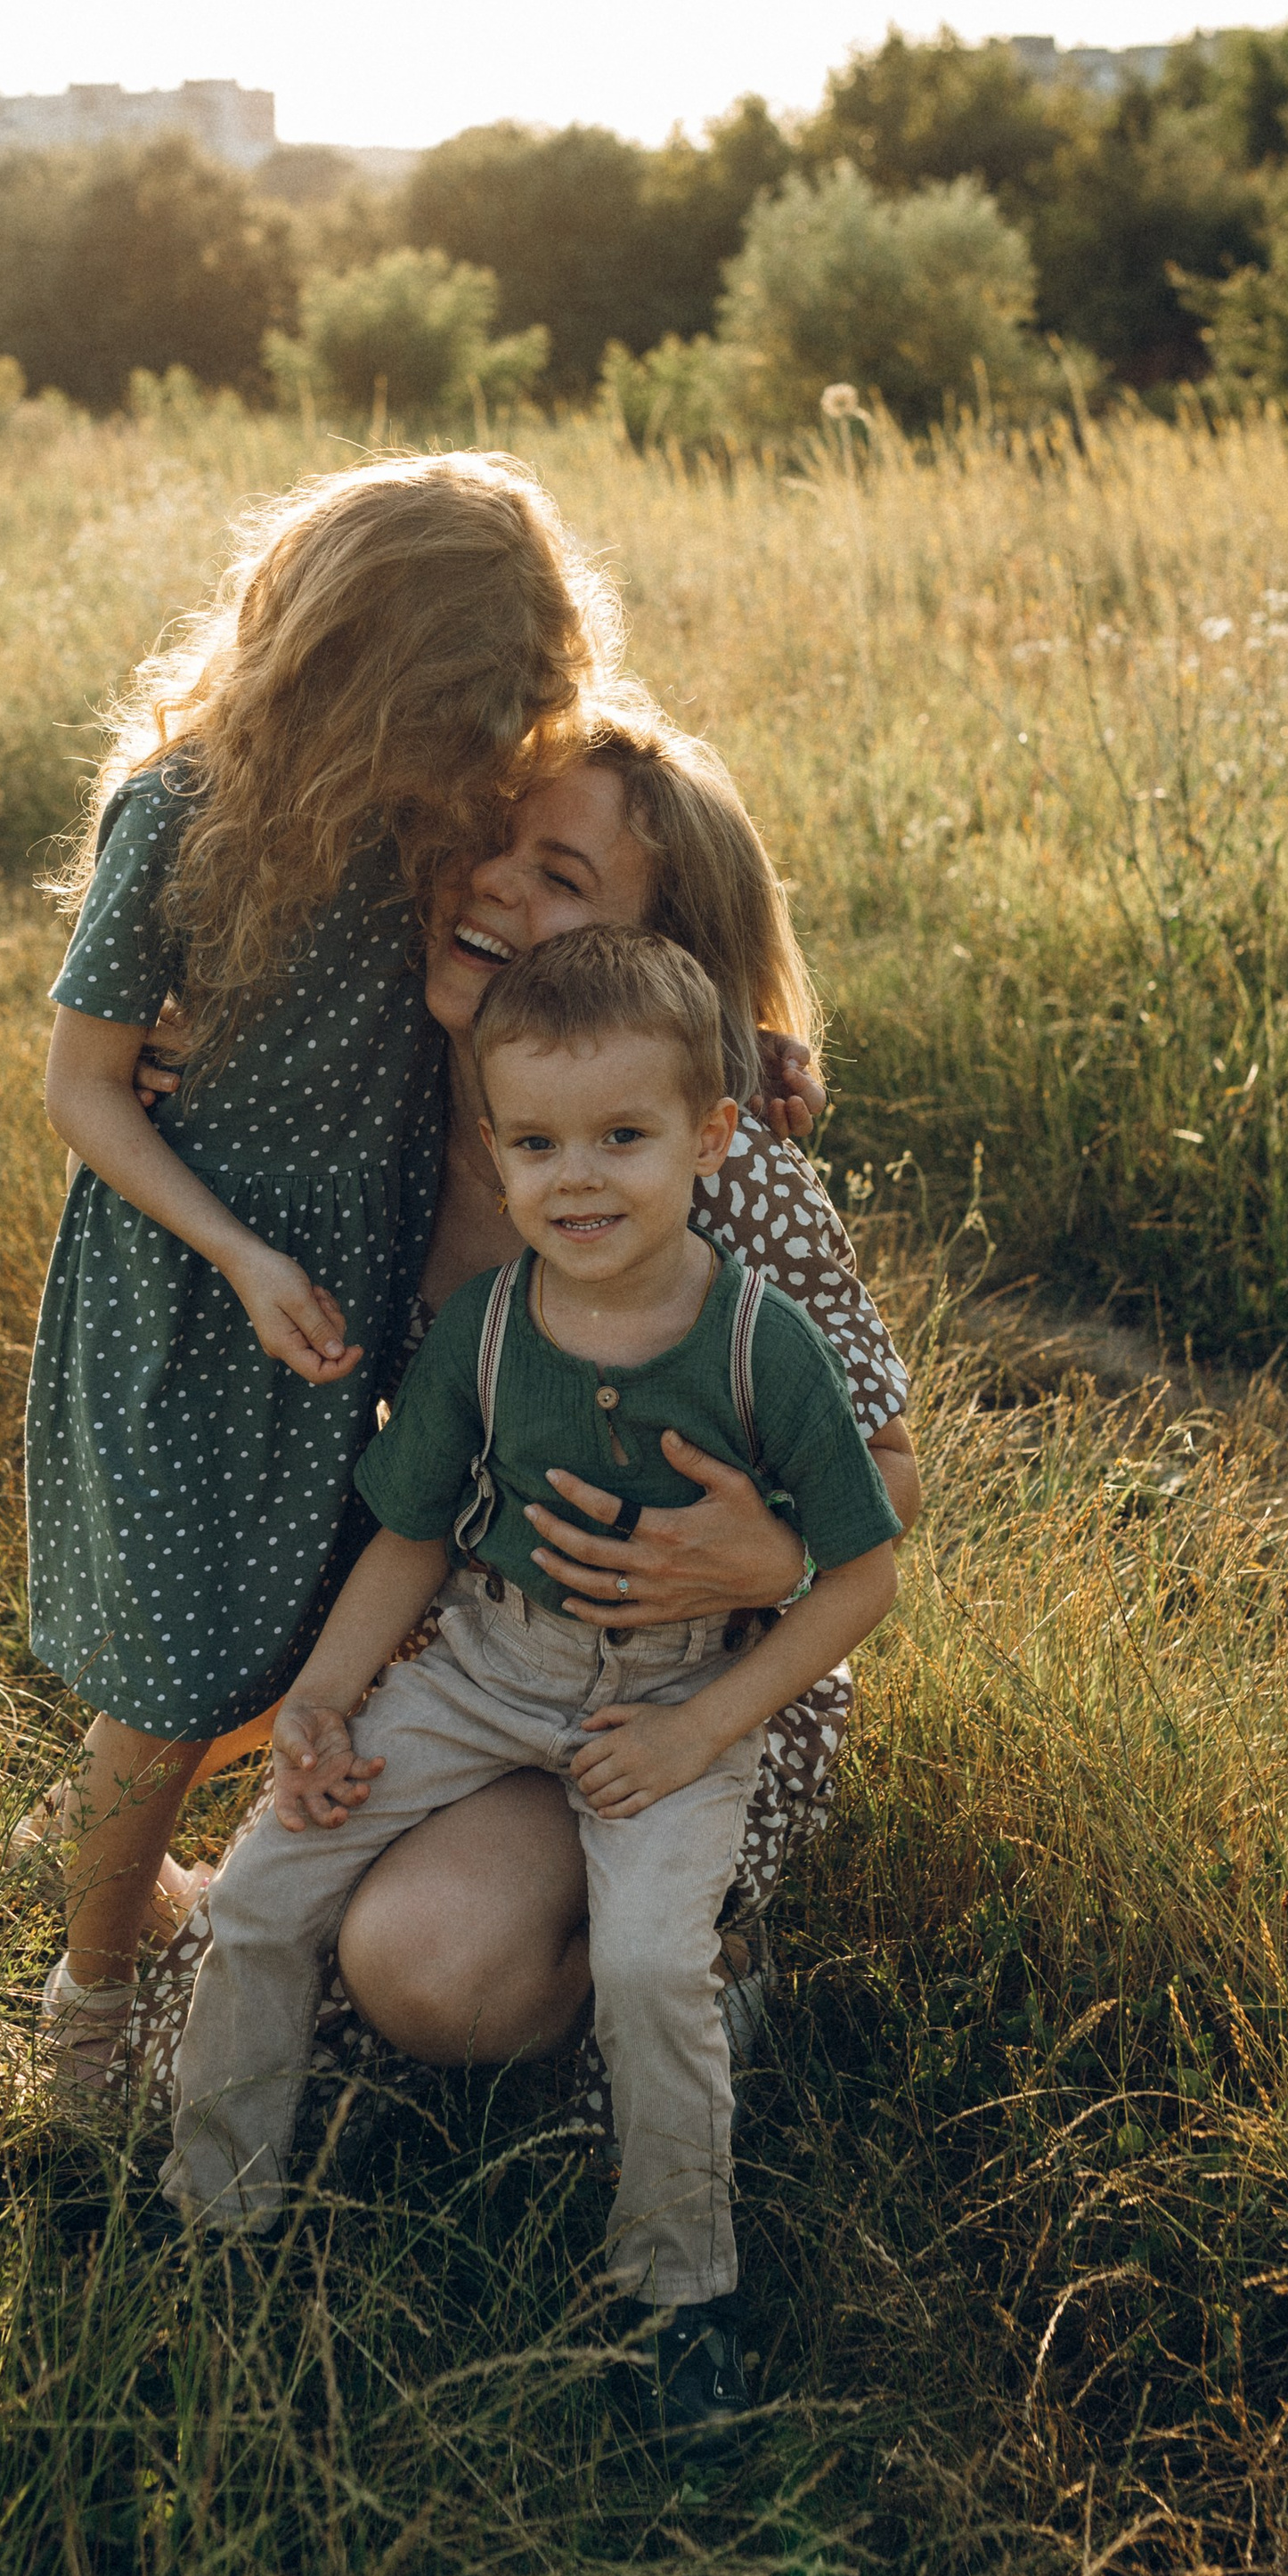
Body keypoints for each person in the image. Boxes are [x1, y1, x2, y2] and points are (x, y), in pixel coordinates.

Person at [119, 713, 919, 2114]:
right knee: (213, 2055)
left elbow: (892, 1487)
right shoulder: (375, 1106)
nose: (497, 885)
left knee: (424, 1971)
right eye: (489, 845)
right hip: (465, 1649)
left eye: (559, 878)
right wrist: (182, 1047)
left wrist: (772, 1550)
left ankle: (685, 1965)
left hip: (696, 1685)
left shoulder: (725, 1189)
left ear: (653, 965)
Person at [168, 928, 901, 2449]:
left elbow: (863, 1575)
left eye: (624, 1139)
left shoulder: (765, 1346)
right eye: (540, 1144)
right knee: (261, 1890)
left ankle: (678, 2297)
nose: (582, 1181)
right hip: (488, 1663)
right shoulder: (489, 1332)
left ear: (709, 1138)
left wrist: (705, 1727)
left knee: (648, 1969)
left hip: (674, 1699)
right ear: (495, 1151)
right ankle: (215, 2217)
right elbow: (414, 1536)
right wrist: (321, 1700)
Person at [23, 451, 617, 2099]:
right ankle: (87, 2005)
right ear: (356, 659)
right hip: (188, 1303)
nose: (472, 764)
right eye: (451, 718)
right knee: (169, 1670)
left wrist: (760, 1040)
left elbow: (619, 890)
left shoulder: (433, 828)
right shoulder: (183, 812)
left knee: (301, 1628)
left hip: (356, 1302)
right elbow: (82, 1083)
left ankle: (126, 1844)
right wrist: (232, 1241)